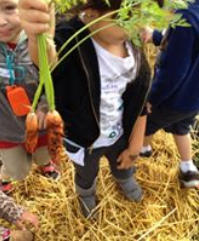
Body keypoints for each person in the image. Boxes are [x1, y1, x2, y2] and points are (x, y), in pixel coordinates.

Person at [18, 0, 164, 218]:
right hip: (85, 140)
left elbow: (139, 98)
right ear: (91, 13)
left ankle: (124, 178)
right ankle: (86, 193)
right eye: (127, 17)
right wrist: (37, 38)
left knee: (122, 164)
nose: (138, 27)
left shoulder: (131, 42)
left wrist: (135, 145)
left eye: (143, 17)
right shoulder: (71, 39)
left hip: (120, 134)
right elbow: (49, 61)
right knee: (86, 173)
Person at [0, 0, 60, 194]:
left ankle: (45, 164)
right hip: (6, 130)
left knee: (43, 152)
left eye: (9, 8)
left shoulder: (38, 42)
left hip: (41, 126)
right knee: (18, 169)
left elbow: (52, 74)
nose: (1, 21)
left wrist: (45, 105)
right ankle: (5, 175)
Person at [140, 0, 199, 188]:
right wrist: (155, 36)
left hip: (174, 97)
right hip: (193, 98)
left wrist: (153, 98)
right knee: (182, 127)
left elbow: (174, 71)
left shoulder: (185, 16)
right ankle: (188, 169)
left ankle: (142, 152)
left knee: (146, 122)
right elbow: (185, 43)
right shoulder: (193, 11)